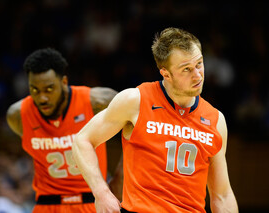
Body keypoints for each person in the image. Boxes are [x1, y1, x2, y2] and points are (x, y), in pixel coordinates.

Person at [72, 27, 238, 213]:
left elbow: (222, 195)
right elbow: (82, 140)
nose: (198, 75)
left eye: (199, 64)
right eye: (186, 69)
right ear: (166, 74)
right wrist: (101, 193)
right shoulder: (135, 101)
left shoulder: (216, 119)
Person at [6, 48, 122, 213]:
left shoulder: (97, 102)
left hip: (91, 200)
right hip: (46, 204)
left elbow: (137, 123)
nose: (42, 98)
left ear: (64, 82)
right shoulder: (18, 115)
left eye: (49, 89)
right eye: (34, 90)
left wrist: (120, 177)